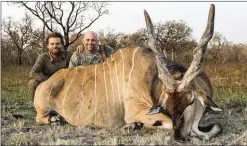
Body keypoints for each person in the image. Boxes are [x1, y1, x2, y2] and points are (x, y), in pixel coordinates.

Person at [28, 32, 73, 102]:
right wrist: (50, 80)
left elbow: (80, 61)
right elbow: (33, 73)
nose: (55, 46)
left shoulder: (69, 55)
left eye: (58, 43)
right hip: (47, 84)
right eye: (52, 44)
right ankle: (36, 108)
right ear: (47, 46)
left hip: (65, 84)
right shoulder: (42, 57)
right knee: (32, 83)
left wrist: (81, 47)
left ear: (62, 44)